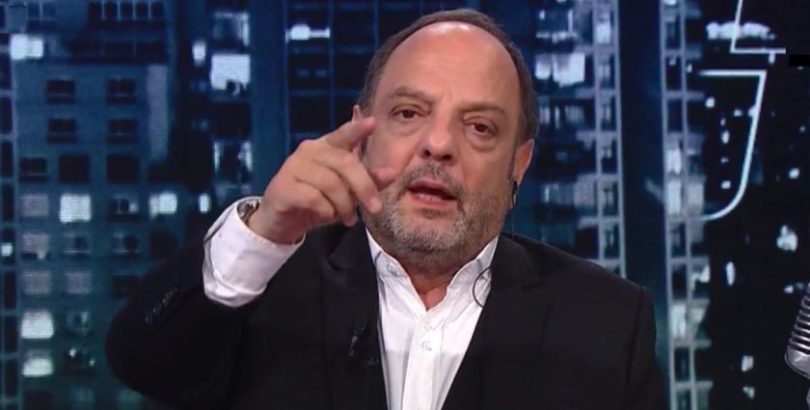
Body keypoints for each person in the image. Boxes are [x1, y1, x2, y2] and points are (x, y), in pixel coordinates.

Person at [106, 8, 666, 410]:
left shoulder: (605, 322)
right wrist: (265, 230)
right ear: (361, 133)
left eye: (479, 127)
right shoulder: (265, 287)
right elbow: (142, 363)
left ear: (518, 163)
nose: (438, 145)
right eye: (408, 113)